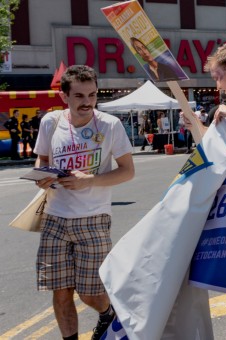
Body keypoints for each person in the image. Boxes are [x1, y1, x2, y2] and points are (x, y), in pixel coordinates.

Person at [32, 65, 135, 340]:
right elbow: (42, 162)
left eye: (92, 95)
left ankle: (108, 312)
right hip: (55, 217)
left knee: (90, 293)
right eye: (79, 96)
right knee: (61, 291)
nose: (87, 102)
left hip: (94, 218)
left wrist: (88, 180)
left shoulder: (109, 125)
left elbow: (128, 170)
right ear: (65, 96)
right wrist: (41, 177)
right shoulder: (50, 123)